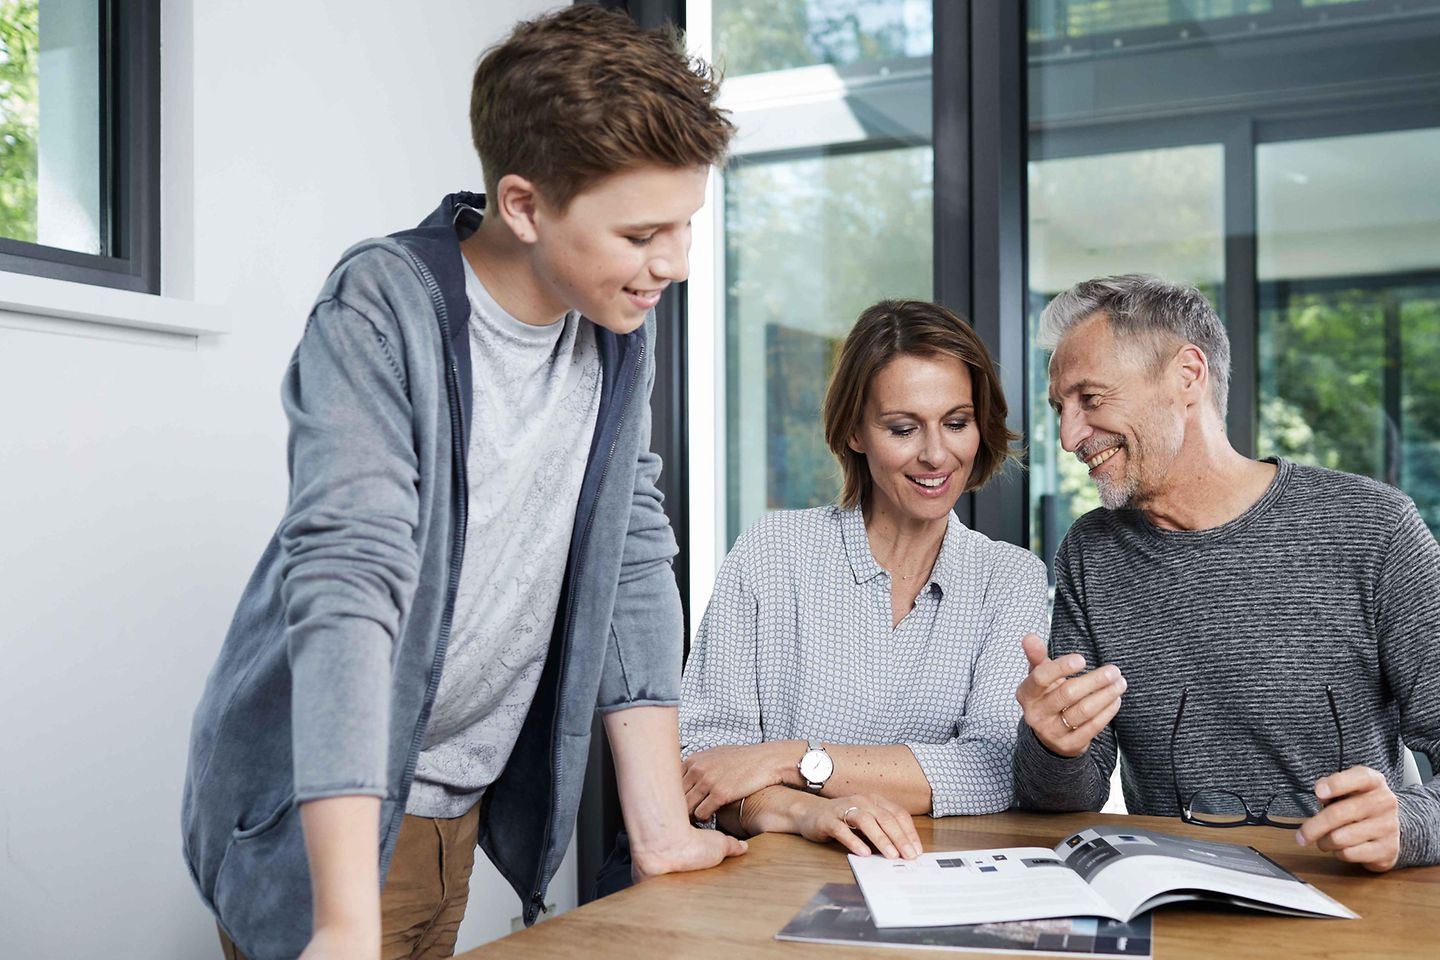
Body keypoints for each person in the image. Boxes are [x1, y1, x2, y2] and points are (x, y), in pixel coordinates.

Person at [181, 9, 745, 960]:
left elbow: (629, 548)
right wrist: (345, 919)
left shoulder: (612, 333)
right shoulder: (382, 307)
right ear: (525, 206)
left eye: (686, 225)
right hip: (344, 812)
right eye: (645, 232)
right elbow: (347, 582)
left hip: (459, 807)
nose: (677, 264)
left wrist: (657, 830)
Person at [1012, 274, 1440, 872]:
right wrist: (1052, 743)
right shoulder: (1092, 550)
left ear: (1188, 374)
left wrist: (1411, 822)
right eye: (1061, 408)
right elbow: (1070, 798)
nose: (1068, 436)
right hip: (1175, 905)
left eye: (1091, 398)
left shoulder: (1373, 527)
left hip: (1348, 903)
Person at [679, 299, 1048, 861]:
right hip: (762, 884)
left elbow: (993, 769)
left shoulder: (1011, 579)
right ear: (855, 431)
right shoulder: (773, 552)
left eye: (957, 422)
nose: (936, 454)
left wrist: (791, 759)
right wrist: (808, 811)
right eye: (903, 428)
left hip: (926, 883)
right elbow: (706, 765)